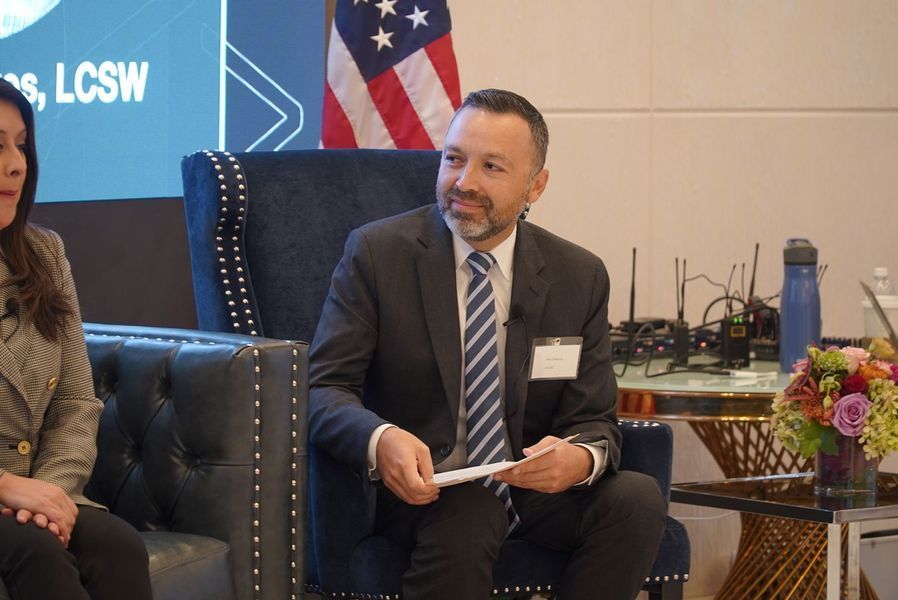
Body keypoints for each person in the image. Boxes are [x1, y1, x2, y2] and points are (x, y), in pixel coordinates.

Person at [310, 88, 666, 599]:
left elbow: (593, 418)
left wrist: (579, 459)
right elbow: (323, 389)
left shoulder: (578, 275)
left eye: (492, 167)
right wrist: (381, 438)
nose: (464, 182)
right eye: (454, 159)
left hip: (531, 488)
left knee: (636, 497)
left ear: (535, 186)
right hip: (425, 492)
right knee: (471, 510)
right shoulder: (377, 254)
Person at [0, 79, 152, 600]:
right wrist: (6, 489)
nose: (17, 163)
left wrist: (50, 496)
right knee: (33, 548)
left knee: (117, 544)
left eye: (22, 144)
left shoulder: (44, 254)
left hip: (38, 489)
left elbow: (75, 404)